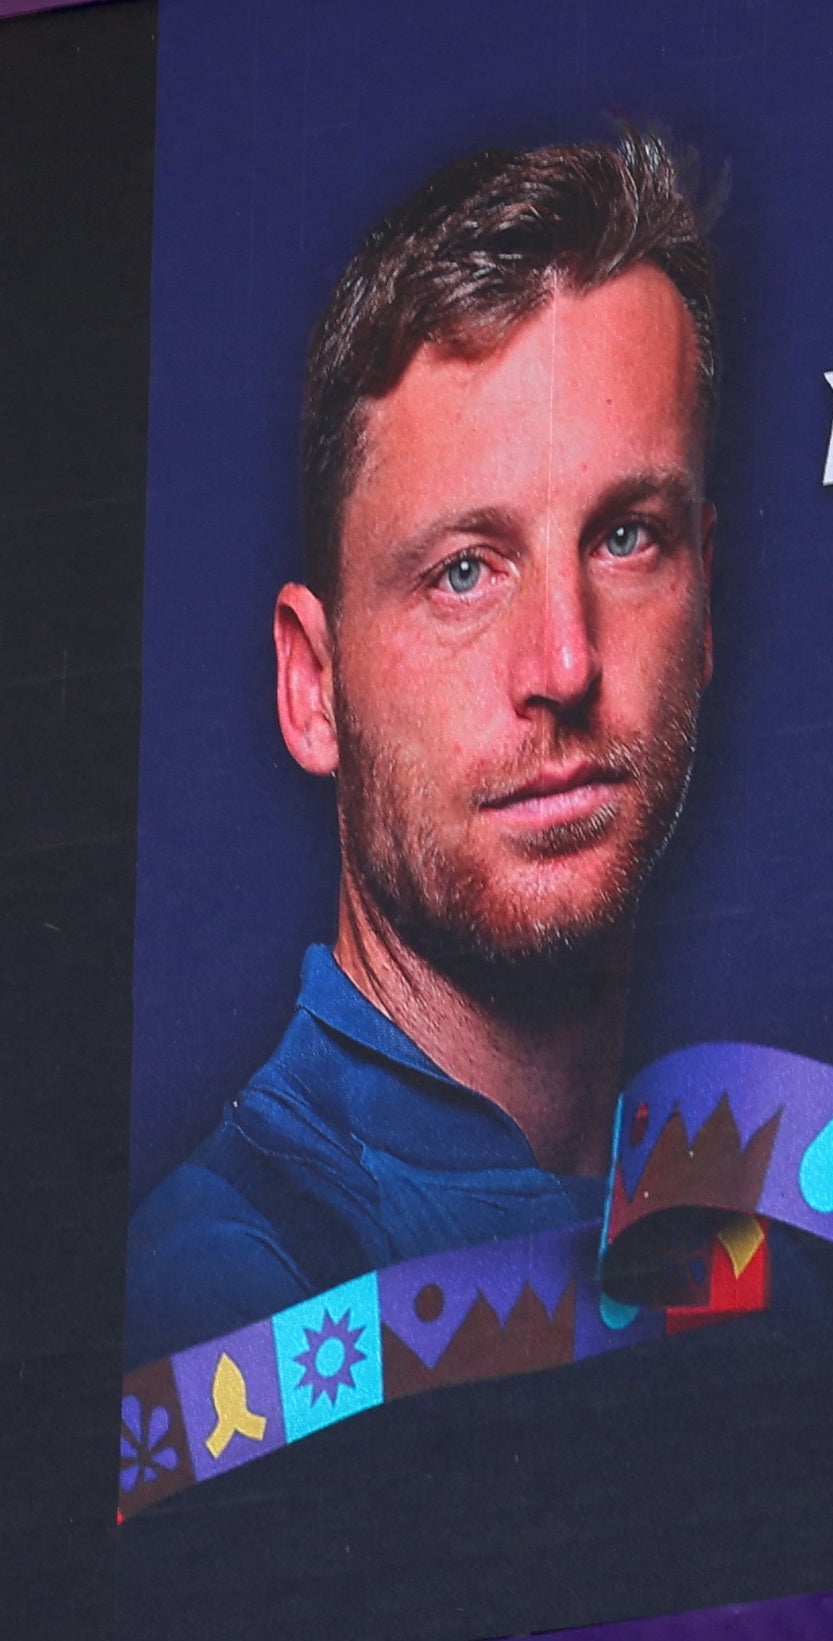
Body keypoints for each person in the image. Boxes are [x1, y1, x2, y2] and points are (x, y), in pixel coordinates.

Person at [127, 130, 727, 1353]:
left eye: (625, 537)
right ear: (312, 686)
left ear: (708, 602)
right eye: (464, 571)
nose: (563, 664)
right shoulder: (230, 1312)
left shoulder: (763, 1263)